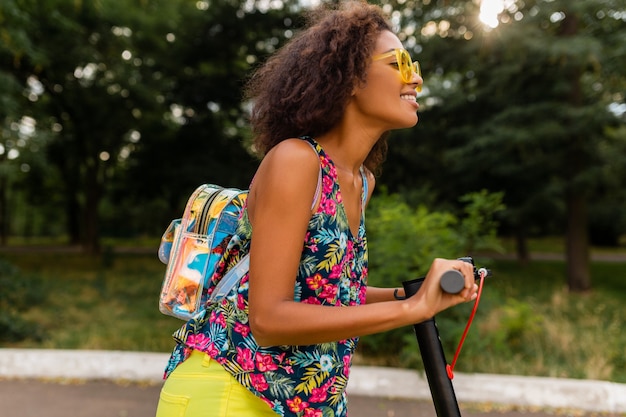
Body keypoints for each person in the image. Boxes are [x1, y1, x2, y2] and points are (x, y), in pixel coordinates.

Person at [155, 1, 478, 416]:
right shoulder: (296, 161)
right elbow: (269, 319)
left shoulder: (361, 183)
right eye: (398, 62)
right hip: (228, 392)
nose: (415, 75)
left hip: (300, 403)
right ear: (349, 78)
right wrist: (411, 309)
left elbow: (328, 295)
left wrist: (409, 294)